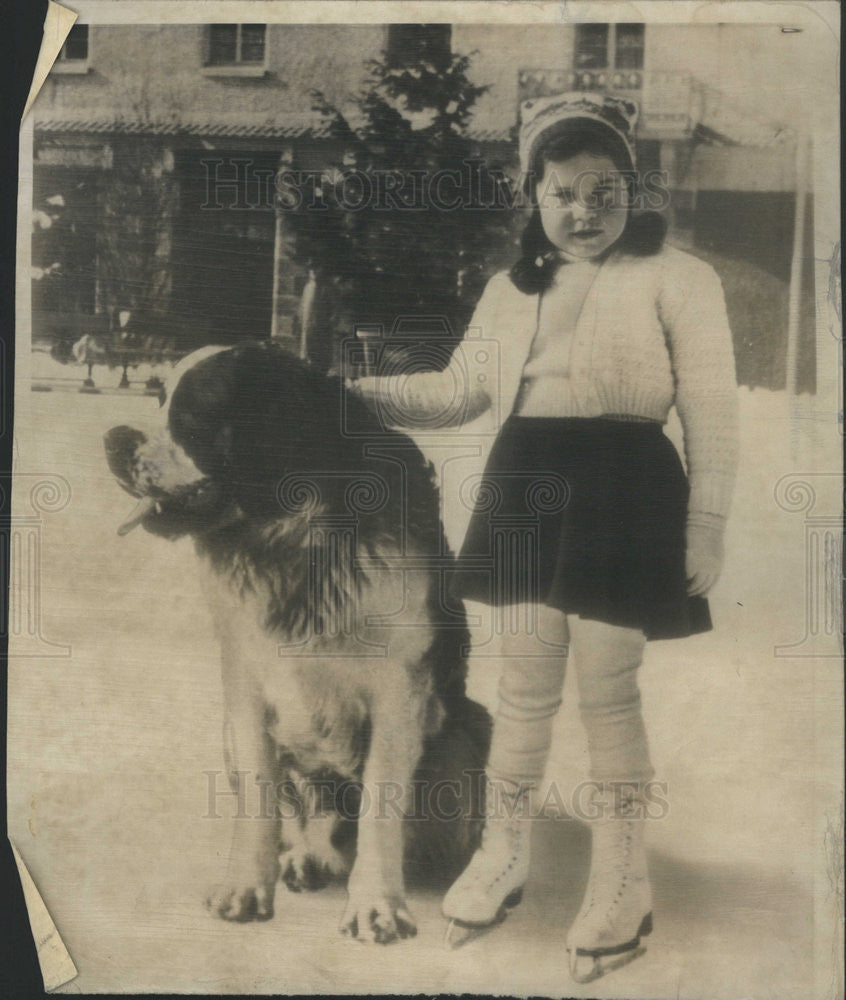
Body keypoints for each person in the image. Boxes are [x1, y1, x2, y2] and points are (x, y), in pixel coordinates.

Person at [349, 91, 739, 981]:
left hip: (626, 490)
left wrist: (707, 524)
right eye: (562, 192)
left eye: (604, 192)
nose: (584, 212)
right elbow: (457, 391)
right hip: (527, 486)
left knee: (608, 692)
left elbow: (713, 415)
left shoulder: (680, 279)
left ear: (633, 191)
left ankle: (622, 881)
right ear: (532, 193)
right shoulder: (510, 287)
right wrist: (352, 391)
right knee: (521, 690)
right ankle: (503, 851)